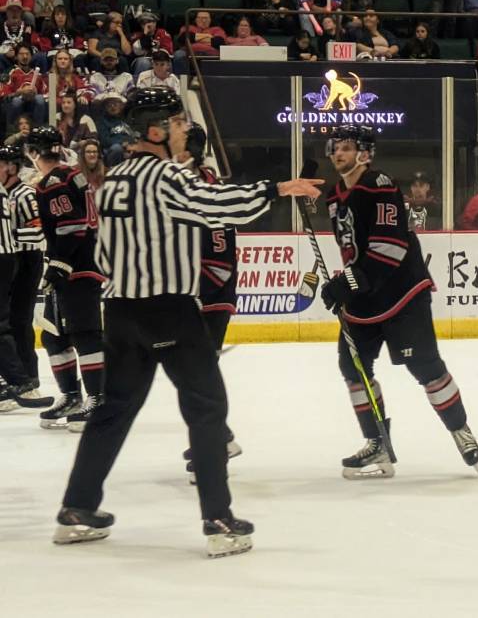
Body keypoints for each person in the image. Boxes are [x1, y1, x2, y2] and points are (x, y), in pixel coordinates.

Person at [53, 87, 323, 556]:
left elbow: (102, 252)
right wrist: (278, 187)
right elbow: (222, 207)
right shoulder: (166, 177)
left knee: (113, 410)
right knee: (206, 407)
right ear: (155, 130)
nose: (182, 131)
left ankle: (76, 509)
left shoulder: (112, 181)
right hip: (169, 312)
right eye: (177, 124)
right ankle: (219, 520)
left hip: (119, 312)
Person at [319, 125, 478, 480]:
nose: (338, 154)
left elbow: (389, 249)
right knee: (354, 369)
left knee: (425, 368)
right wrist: (345, 284)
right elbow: (353, 251)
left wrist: (343, 283)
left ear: (364, 153)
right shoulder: (333, 196)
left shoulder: (380, 186)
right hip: (364, 296)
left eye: (346, 147)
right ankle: (376, 441)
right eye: (335, 147)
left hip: (400, 292)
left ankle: (459, 429)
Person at [22, 125, 100, 431]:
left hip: (77, 269)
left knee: (85, 334)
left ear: (36, 152)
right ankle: (71, 396)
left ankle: (98, 398)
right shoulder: (71, 174)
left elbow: (72, 226)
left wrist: (59, 265)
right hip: (71, 266)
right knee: (53, 335)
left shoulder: (54, 182)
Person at [180, 123, 244, 481]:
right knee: (192, 374)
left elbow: (220, 257)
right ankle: (219, 437)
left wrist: (196, 295)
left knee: (197, 374)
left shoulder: (209, 187)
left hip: (210, 296)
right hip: (192, 293)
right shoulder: (182, 183)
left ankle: (217, 444)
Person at [0, 142, 51, 411]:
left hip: (26, 261)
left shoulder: (24, 194)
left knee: (19, 320)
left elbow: (36, 232)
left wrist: (9, 241)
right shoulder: (6, 192)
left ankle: (28, 377)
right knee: (10, 320)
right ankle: (13, 379)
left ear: (11, 167)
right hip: (13, 259)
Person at [128, 13, 173, 78]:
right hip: (142, 60)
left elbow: (168, 51)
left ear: (155, 23)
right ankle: (139, 86)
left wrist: (155, 59)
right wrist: (145, 35)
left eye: (149, 22)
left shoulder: (162, 33)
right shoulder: (136, 35)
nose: (147, 25)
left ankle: (165, 85)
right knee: (143, 62)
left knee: (166, 63)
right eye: (143, 23)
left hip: (159, 59)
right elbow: (137, 52)